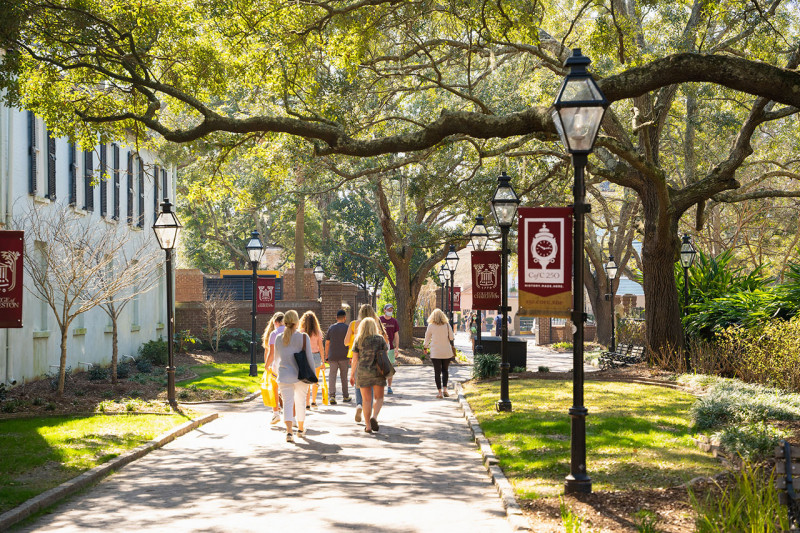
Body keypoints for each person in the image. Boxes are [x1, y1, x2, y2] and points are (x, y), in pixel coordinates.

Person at [266, 310, 315, 443]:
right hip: (301, 375)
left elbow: (276, 360)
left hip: (284, 375)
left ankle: (289, 433)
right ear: (297, 321)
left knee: (287, 403)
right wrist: (314, 377)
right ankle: (300, 429)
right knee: (300, 402)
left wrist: (275, 373)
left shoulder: (278, 338)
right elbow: (309, 358)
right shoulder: (303, 337)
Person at [345, 304, 388, 423]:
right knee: (373, 392)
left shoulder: (354, 324)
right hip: (375, 363)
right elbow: (385, 341)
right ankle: (372, 416)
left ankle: (359, 405)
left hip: (359, 360)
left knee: (361, 388)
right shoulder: (376, 323)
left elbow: (345, 342)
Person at [349, 317, 394, 433]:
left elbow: (354, 359)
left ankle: (368, 426)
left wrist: (352, 374)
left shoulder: (358, 339)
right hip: (378, 372)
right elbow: (385, 354)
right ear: (374, 327)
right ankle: (374, 417)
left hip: (363, 372)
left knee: (366, 400)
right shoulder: (380, 339)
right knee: (379, 398)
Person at [423, 308, 454, 398]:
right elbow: (451, 337)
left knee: (437, 372)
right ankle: (445, 389)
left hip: (435, 351)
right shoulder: (447, 325)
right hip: (446, 351)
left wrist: (425, 347)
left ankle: (439, 392)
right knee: (445, 370)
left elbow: (427, 338)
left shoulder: (431, 326)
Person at [261, 311, 285, 424]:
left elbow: (271, 353)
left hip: (277, 365)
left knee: (274, 388)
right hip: (291, 364)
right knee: (289, 389)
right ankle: (292, 416)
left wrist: (266, 366)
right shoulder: (291, 332)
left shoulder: (274, 333)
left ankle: (276, 413)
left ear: (276, 322)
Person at [300, 310, 325, 409]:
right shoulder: (318, 332)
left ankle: (307, 403)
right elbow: (321, 348)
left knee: (306, 381)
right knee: (315, 381)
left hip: (306, 357)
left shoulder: (301, 332)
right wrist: (323, 361)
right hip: (316, 356)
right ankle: (314, 401)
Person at [325, 309, 351, 405]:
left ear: (336, 318)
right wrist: (351, 356)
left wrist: (326, 355)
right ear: (345, 318)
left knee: (332, 376)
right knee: (344, 376)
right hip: (344, 356)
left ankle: (332, 396)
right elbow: (349, 344)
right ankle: (345, 396)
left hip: (333, 356)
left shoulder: (331, 328)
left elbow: (327, 343)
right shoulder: (347, 328)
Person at [379, 303, 400, 394]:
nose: (390, 311)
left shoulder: (394, 321)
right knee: (380, 367)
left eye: (391, 310)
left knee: (390, 367)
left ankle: (389, 387)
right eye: (388, 309)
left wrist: (397, 348)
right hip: (380, 348)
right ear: (385, 310)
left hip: (391, 348)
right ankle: (380, 386)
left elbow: (396, 335)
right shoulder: (380, 320)